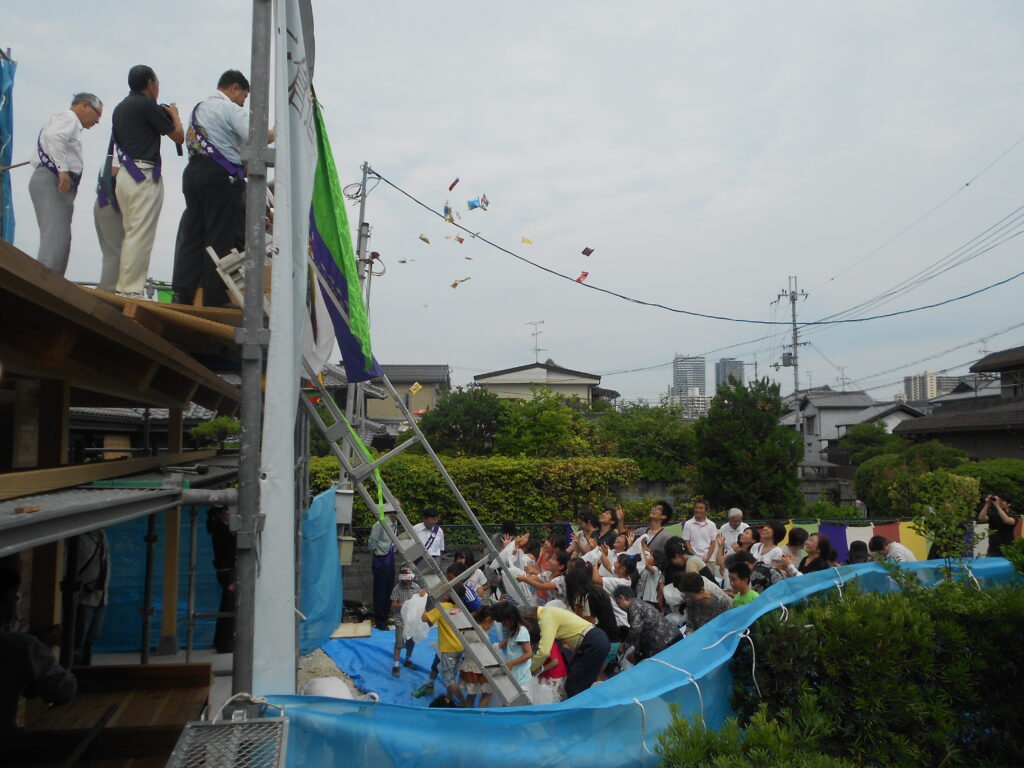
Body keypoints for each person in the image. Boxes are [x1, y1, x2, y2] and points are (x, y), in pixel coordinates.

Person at [172, 70, 272, 306]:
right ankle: (213, 297)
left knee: (193, 235)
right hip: (219, 177)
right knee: (219, 237)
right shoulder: (229, 109)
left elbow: (219, 142)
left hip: (193, 173)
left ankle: (182, 294)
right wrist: (277, 132)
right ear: (235, 88)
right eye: (244, 97)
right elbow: (255, 136)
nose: (243, 102)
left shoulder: (199, 108)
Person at [110, 65, 184, 297]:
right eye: (157, 84)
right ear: (150, 84)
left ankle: (124, 286)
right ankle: (131, 290)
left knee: (131, 231)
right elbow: (178, 135)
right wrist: (175, 115)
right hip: (143, 173)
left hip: (125, 174)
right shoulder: (146, 105)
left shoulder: (119, 108)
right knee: (140, 234)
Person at [29, 92, 103, 276]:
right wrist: (62, 170)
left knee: (59, 236)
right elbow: (55, 137)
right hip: (52, 178)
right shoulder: (69, 118)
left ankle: (52, 280)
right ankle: (45, 286)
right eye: (97, 113)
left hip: (52, 178)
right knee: (55, 236)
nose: (98, 121)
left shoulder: (67, 122)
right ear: (85, 106)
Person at [1, 567, 76, 737]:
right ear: (6, 602)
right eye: (15, 598)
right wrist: (37, 649)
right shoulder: (22, 647)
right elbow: (63, 689)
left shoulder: (19, 646)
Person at [530, 602, 610, 698]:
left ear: (530, 616)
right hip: (594, 640)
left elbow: (544, 652)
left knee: (574, 685)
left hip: (593, 641)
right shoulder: (549, 613)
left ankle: (580, 710)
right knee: (579, 683)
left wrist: (531, 669)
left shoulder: (546, 617)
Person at [418, 580, 465, 705]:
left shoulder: (442, 607)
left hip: (448, 649)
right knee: (452, 676)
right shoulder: (459, 608)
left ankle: (464, 702)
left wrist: (422, 604)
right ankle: (448, 699)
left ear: (448, 595)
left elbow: (425, 618)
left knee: (449, 681)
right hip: (459, 647)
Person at [71, 529, 110, 665]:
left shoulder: (103, 536)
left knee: (93, 635)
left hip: (100, 594)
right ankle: (75, 666)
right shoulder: (79, 538)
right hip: (84, 595)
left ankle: (86, 664)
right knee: (79, 635)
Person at [613, 584, 680, 663]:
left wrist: (624, 646)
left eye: (618, 604)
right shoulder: (639, 603)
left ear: (621, 598)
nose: (620, 608)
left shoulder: (633, 607)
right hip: (671, 637)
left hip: (665, 643)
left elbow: (635, 631)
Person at [206, 507, 236, 653]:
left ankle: (224, 642)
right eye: (226, 510)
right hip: (227, 572)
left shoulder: (219, 528)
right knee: (229, 608)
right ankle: (225, 642)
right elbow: (226, 552)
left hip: (226, 571)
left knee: (228, 607)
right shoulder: (220, 529)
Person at [94, 161, 124, 292]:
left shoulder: (115, 151)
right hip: (111, 203)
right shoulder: (118, 152)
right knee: (115, 252)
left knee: (111, 252)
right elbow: (114, 175)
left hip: (105, 202)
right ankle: (107, 292)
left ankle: (109, 290)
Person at [367, 505, 398, 630]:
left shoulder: (395, 524)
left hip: (390, 558)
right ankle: (380, 620)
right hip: (381, 559)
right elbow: (372, 543)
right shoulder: (380, 524)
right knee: (380, 590)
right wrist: (378, 553)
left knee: (389, 589)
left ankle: (385, 616)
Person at [494, 601, 534, 698]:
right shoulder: (514, 631)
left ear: (510, 618)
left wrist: (512, 663)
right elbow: (509, 642)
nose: (503, 625)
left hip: (522, 678)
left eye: (503, 621)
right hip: (516, 676)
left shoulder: (521, 632)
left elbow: (529, 653)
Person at [390, 567, 420, 678]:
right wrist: (403, 605)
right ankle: (396, 665)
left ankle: (407, 659)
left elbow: (420, 601)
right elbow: (393, 604)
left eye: (410, 578)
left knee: (411, 641)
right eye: (406, 578)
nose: (408, 580)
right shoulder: (397, 588)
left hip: (412, 619)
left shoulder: (416, 587)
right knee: (399, 641)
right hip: (400, 619)